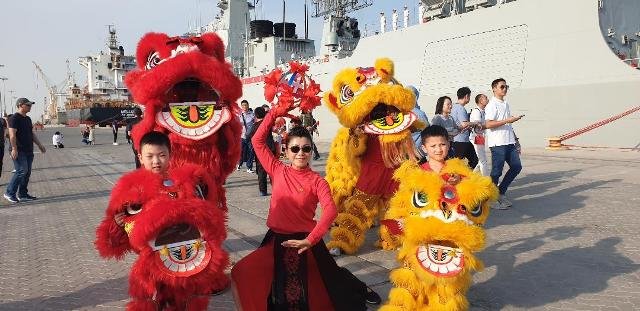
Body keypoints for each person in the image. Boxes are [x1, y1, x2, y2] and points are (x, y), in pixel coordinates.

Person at [232, 103, 381, 310]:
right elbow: (257, 141)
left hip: (306, 239)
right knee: (243, 271)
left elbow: (330, 211)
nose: (300, 153)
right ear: (286, 151)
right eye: (295, 148)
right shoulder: (277, 170)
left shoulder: (317, 182)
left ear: (311, 151)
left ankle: (361, 289)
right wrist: (274, 113)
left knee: (330, 280)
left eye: (306, 148)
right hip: (276, 238)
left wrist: (310, 240)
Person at [485, 78, 524, 210]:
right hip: (497, 143)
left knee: (516, 166)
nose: (505, 89)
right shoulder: (492, 105)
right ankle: (491, 198)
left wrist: (516, 140)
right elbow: (488, 124)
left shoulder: (505, 104)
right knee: (496, 172)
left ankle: (500, 193)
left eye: (506, 86)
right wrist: (508, 120)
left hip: (509, 141)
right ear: (494, 89)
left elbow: (508, 124)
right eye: (502, 87)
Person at [4, 98, 46, 203]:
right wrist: (14, 149)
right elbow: (12, 135)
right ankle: (9, 193)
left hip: (28, 150)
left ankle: (22, 194)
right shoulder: (14, 118)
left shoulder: (28, 119)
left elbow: (31, 134)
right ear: (20, 105)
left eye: (30, 105)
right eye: (28, 105)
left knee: (26, 173)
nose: (30, 106)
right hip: (19, 150)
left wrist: (40, 145)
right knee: (21, 171)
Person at [248, 107, 275, 196]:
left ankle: (263, 191)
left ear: (255, 115)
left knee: (261, 170)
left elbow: (248, 135)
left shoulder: (254, 125)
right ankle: (276, 188)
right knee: (273, 170)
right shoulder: (268, 123)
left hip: (260, 150)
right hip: (270, 148)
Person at [450, 87, 479, 169]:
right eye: (469, 96)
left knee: (471, 160)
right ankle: (463, 178)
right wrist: (475, 123)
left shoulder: (453, 107)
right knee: (472, 160)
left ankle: (463, 177)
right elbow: (464, 123)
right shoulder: (460, 108)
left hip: (458, 139)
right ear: (466, 96)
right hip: (461, 140)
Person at [407, 86, 430, 160]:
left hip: (405, 150)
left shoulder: (401, 112)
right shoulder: (419, 113)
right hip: (417, 151)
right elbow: (428, 131)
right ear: (416, 97)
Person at [470, 94, 489, 176]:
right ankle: (487, 180)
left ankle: (471, 178)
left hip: (480, 138)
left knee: (481, 160)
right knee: (483, 161)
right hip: (476, 138)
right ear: (481, 101)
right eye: (486, 98)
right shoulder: (476, 111)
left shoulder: (483, 111)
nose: (488, 99)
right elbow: (478, 125)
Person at [237, 100, 255, 173]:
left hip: (250, 136)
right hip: (242, 136)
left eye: (246, 105)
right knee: (241, 151)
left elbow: (255, 123)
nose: (244, 106)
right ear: (241, 106)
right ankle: (239, 163)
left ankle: (249, 167)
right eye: (243, 105)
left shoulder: (252, 114)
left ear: (248, 105)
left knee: (251, 151)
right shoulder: (239, 115)